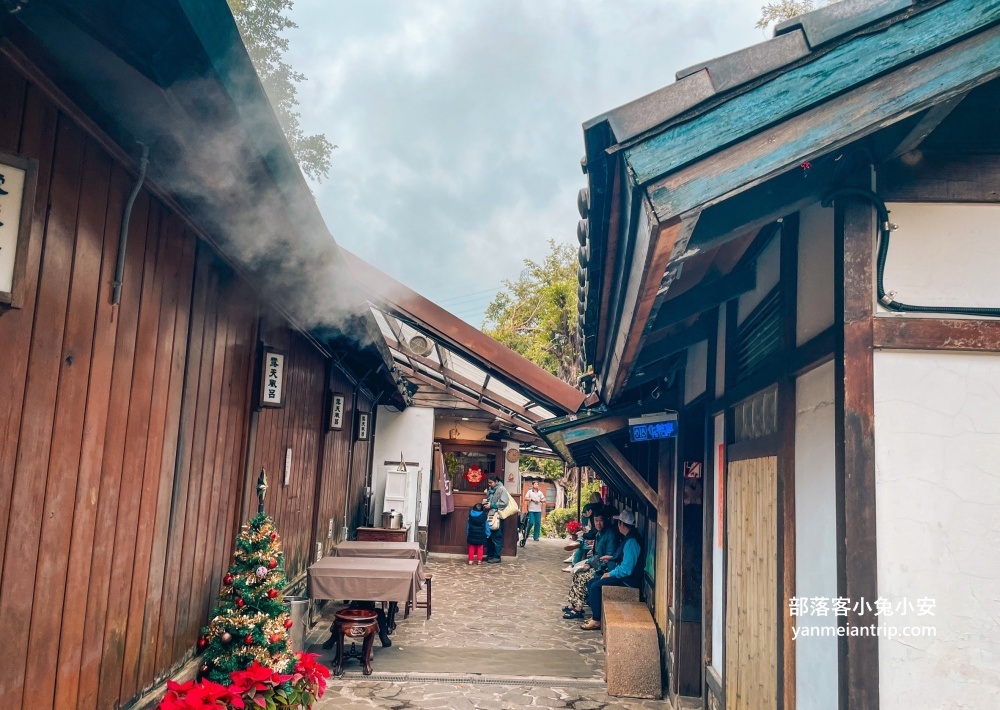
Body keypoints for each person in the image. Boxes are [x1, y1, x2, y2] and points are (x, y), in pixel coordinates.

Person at [581, 509, 642, 631]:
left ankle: (596, 620)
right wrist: (612, 558)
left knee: (595, 586)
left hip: (628, 581)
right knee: (592, 582)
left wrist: (610, 573)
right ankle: (596, 615)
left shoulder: (631, 541)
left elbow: (627, 569)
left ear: (621, 524)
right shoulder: (628, 537)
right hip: (624, 576)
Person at [562, 513, 620, 619]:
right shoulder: (599, 533)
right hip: (598, 565)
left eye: (601, 520)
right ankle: (573, 604)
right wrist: (589, 563)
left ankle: (578, 608)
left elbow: (608, 558)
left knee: (582, 577)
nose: (598, 523)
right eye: (596, 520)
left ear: (605, 520)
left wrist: (592, 565)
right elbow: (597, 555)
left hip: (606, 569)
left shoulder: (610, 534)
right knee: (577, 573)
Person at [483, 474, 511, 563]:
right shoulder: (491, 490)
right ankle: (490, 555)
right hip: (490, 515)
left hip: (497, 516)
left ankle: (497, 556)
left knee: (496, 536)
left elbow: (504, 503)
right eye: (489, 483)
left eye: (491, 482)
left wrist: (491, 505)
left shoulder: (502, 490)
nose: (489, 484)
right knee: (489, 536)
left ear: (496, 482)